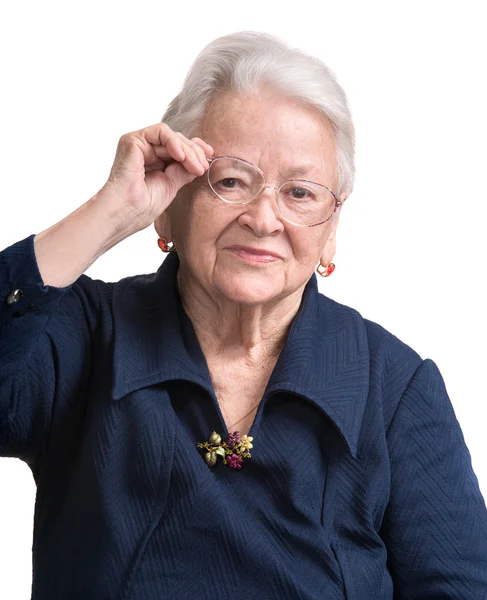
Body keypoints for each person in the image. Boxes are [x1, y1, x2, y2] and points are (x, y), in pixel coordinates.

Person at [1, 30, 486, 600]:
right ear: (169, 205)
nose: (263, 217)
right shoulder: (85, 333)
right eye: (230, 180)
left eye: (300, 193)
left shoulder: (395, 387)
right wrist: (109, 212)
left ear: (331, 233)